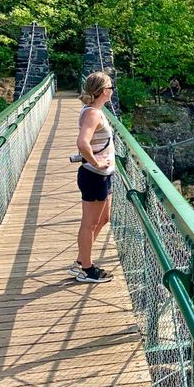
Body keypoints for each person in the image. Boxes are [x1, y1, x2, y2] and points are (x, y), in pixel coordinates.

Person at [70, 71, 116, 283]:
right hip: (94, 175)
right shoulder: (92, 114)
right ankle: (87, 270)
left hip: (102, 175)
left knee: (104, 218)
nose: (113, 90)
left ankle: (81, 260)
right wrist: (96, 162)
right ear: (104, 91)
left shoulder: (96, 111)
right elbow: (82, 143)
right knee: (89, 223)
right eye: (111, 87)